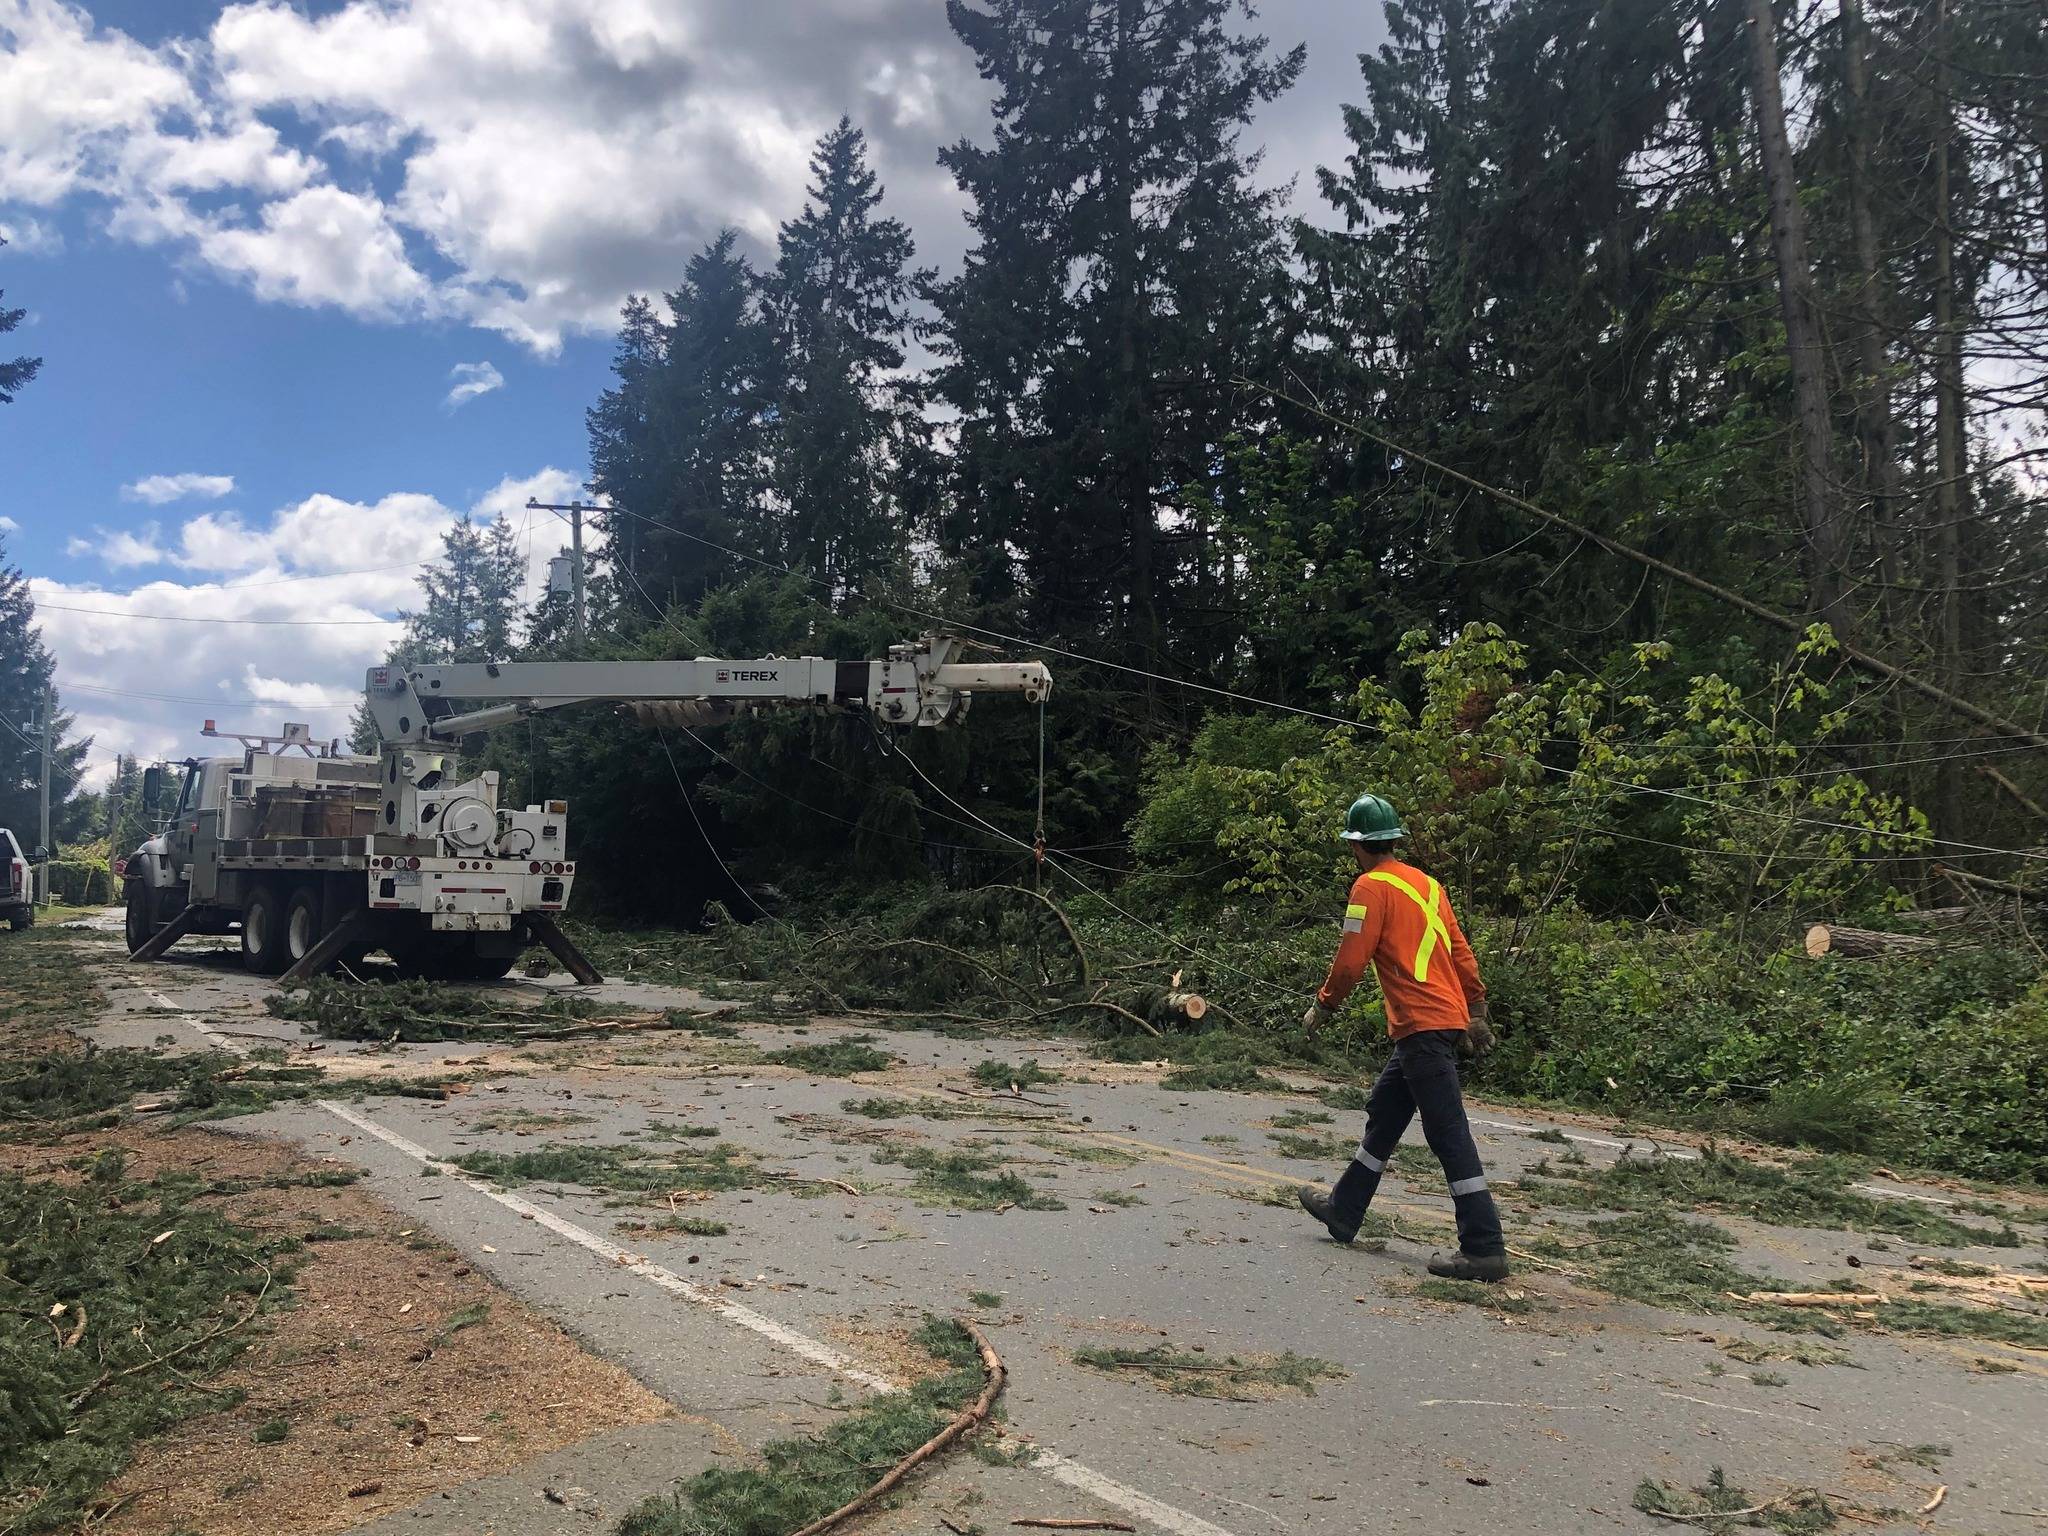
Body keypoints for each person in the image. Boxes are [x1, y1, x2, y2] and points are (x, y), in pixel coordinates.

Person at [1297, 793, 1508, 1282]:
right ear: (1393, 839)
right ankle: (1345, 1210)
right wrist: (1475, 1008)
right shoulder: (1429, 886)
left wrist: (1324, 1005)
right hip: (1439, 1020)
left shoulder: (1369, 888)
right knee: (1386, 1111)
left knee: (1447, 1131)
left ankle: (1484, 1247)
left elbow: (1351, 960)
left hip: (1421, 1023)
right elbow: (1461, 953)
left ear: (1357, 844)